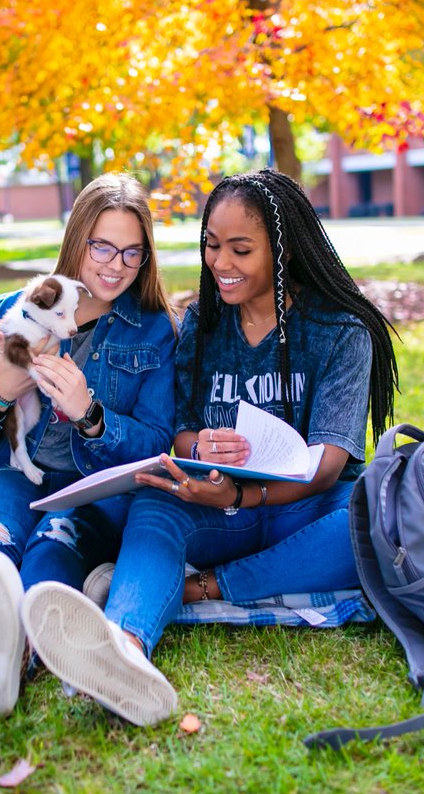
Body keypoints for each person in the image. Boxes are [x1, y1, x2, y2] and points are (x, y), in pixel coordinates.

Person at [22, 169, 399, 725]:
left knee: (370, 515)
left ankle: (200, 588)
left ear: (283, 248)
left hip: (304, 512)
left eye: (240, 249)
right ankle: (124, 651)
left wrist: (238, 497)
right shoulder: (201, 322)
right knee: (155, 503)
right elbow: (179, 432)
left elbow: (325, 469)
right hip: (217, 507)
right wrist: (198, 447)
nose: (220, 263)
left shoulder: (341, 332)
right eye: (211, 245)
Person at [0, 173, 178, 719]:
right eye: (102, 247)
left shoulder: (154, 331)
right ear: (77, 240)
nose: (115, 266)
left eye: (132, 253)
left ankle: (11, 653)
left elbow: (157, 442)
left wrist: (91, 416)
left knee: (51, 546)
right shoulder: (9, 311)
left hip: (88, 492)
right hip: (7, 470)